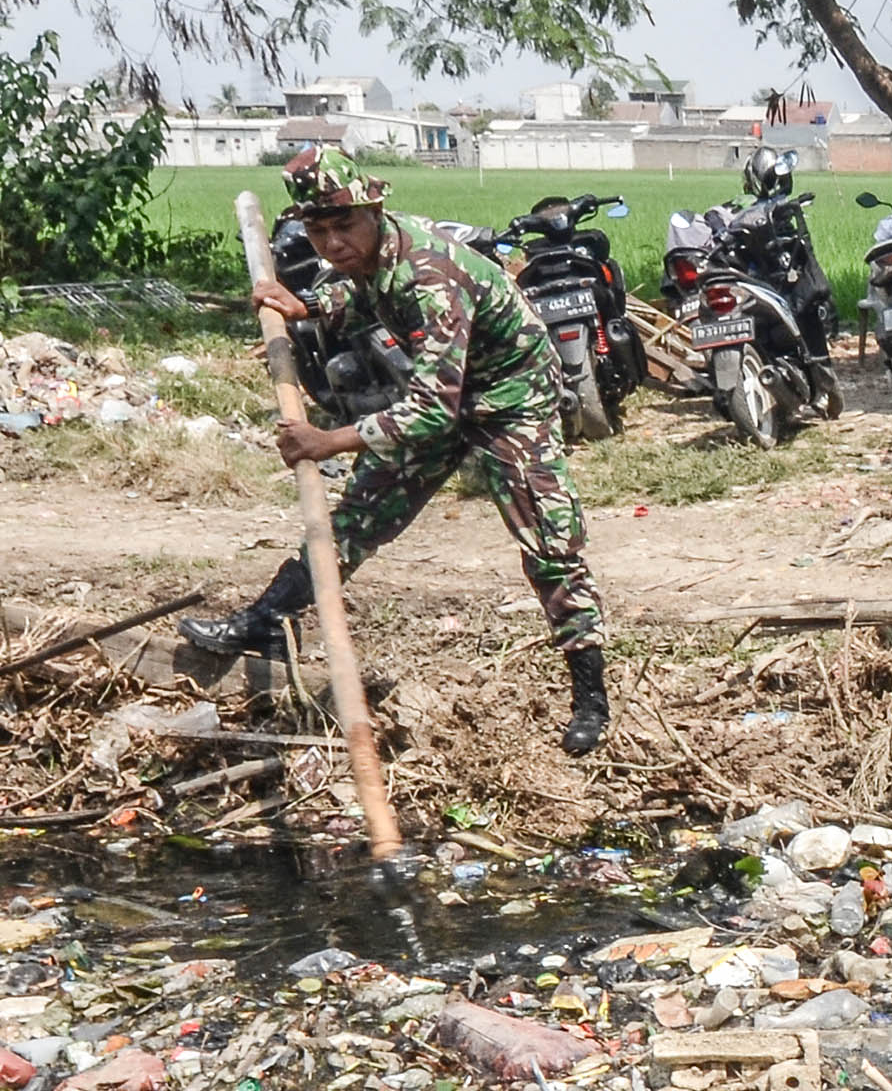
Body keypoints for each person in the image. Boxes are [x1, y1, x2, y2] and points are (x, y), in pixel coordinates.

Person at [187, 145, 615, 758]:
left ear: (375, 211)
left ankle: (590, 697)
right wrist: (306, 306)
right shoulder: (370, 257)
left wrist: (328, 440)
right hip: (440, 393)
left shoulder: (434, 275)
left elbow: (433, 409)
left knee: (549, 541)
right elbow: (360, 295)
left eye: (343, 227)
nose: (332, 244)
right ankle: (265, 622)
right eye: (317, 231)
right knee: (358, 515)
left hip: (509, 397)